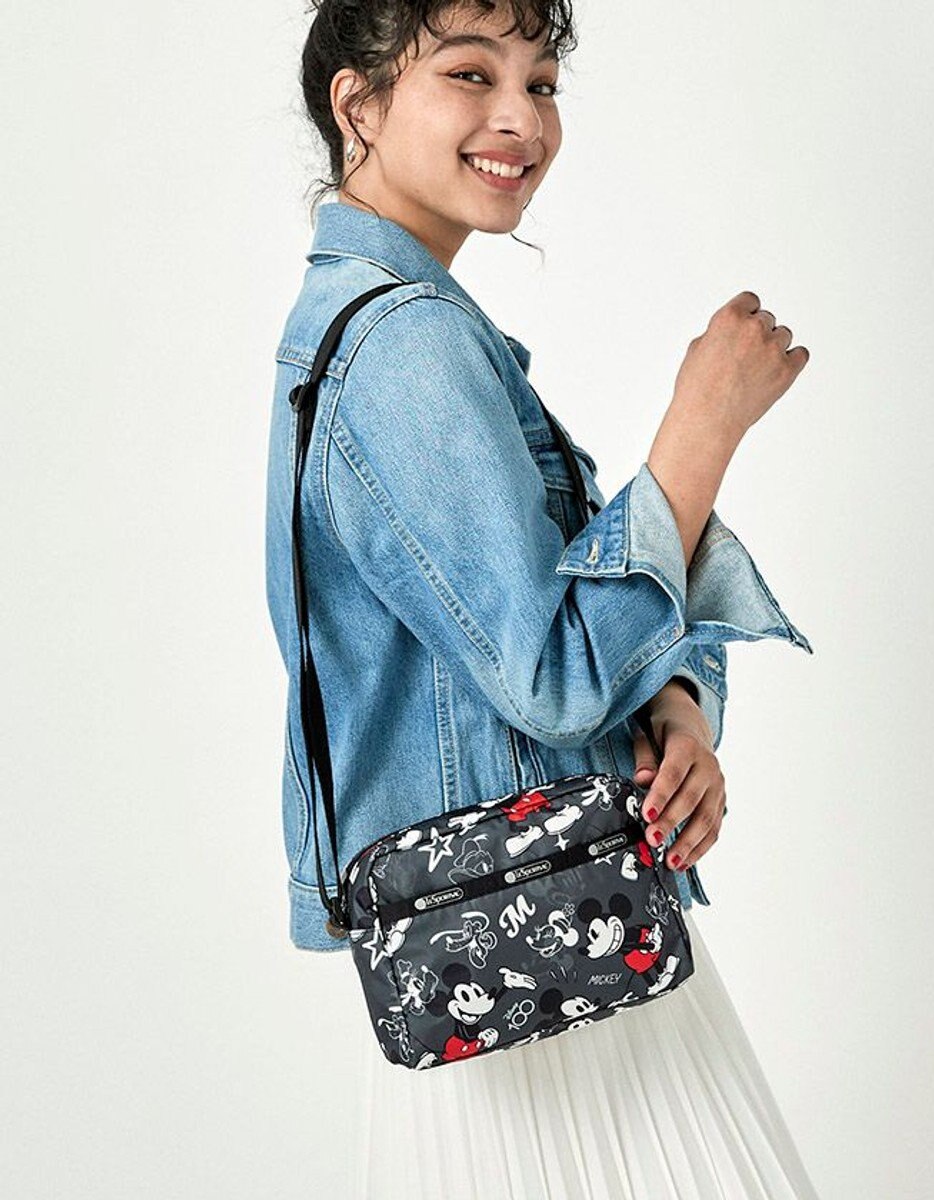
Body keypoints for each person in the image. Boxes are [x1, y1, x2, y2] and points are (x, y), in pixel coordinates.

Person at [264, 2, 820, 1197]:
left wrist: (673, 703)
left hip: (517, 954)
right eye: (471, 75)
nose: (520, 118)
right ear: (358, 104)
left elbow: (528, 637)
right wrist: (700, 429)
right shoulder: (400, 343)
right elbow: (553, 675)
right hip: (539, 960)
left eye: (542, 82)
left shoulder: (386, 325)